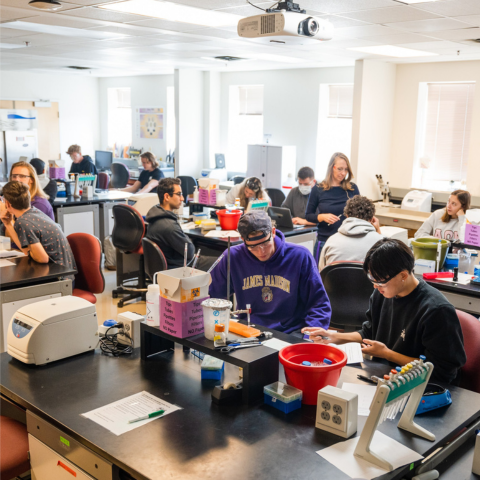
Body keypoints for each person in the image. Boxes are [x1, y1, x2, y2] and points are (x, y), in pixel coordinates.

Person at [303, 238, 466, 384]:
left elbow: (441, 371)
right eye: (372, 280)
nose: (375, 287)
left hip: (423, 386)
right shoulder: (382, 294)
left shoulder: (436, 311)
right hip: (385, 378)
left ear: (403, 275)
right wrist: (333, 336)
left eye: (380, 282)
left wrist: (388, 354)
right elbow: (369, 332)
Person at [209, 210, 331, 334]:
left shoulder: (300, 256)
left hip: (290, 332)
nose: (261, 251)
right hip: (248, 330)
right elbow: (212, 296)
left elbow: (319, 304)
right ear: (243, 240)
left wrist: (309, 337)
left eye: (266, 243)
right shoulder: (232, 256)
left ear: (273, 232)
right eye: (253, 247)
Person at [0, 181, 75, 279]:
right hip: (67, 275)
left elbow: (42, 258)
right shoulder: (35, 212)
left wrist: (31, 252)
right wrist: (8, 224)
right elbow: (26, 249)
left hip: (59, 279)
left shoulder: (23, 222)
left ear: (8, 204)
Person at [146, 178, 217, 271]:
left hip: (171, 264)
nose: (182, 198)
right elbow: (190, 252)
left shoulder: (155, 217)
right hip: (181, 268)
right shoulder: (169, 227)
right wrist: (187, 239)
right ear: (167, 197)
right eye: (179, 194)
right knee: (224, 261)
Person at [305, 153, 360, 264]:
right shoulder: (318, 189)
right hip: (325, 241)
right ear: (331, 168)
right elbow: (308, 215)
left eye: (346, 169)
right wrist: (321, 217)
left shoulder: (352, 189)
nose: (343, 173)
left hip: (348, 242)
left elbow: (360, 214)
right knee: (319, 277)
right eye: (340, 169)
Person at [319, 195, 384, 270]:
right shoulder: (380, 242)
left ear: (347, 216)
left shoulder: (331, 241)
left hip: (338, 281)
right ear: (372, 218)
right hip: (367, 282)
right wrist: (378, 230)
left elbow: (321, 273)